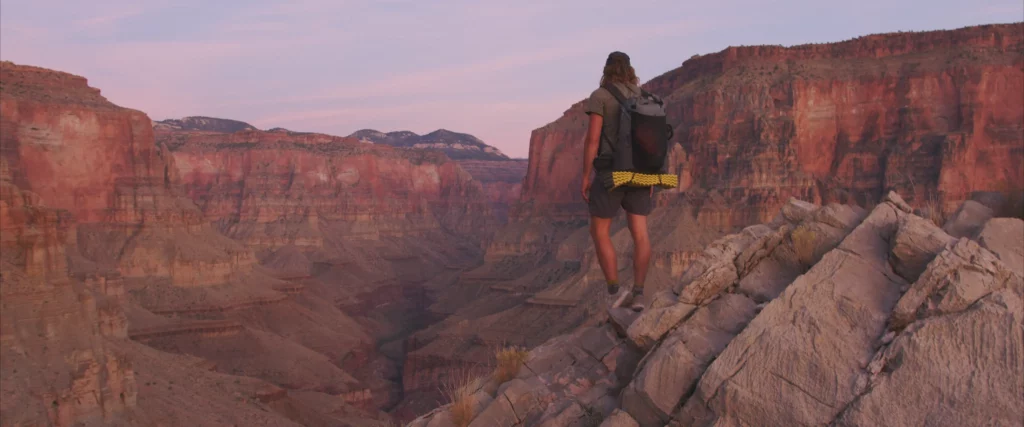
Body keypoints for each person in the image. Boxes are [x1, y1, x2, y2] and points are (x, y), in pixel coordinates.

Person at [581, 51, 653, 312]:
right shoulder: (643, 96)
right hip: (641, 173)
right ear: (630, 70)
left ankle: (614, 289)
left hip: (612, 172)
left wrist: (585, 175)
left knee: (599, 231)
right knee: (640, 234)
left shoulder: (600, 96)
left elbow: (592, 140)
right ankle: (639, 293)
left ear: (607, 69)